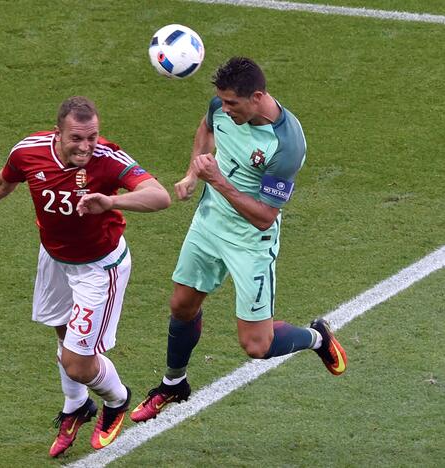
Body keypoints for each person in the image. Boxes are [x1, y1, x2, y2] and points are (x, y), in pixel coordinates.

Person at [0, 96, 171, 456]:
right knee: (62, 333)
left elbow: (159, 196)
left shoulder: (109, 160)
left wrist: (112, 202)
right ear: (59, 134)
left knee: (77, 363)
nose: (86, 147)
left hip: (100, 268)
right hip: (54, 259)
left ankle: (116, 398)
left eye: (92, 137)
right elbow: (1, 184)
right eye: (77, 139)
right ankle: (77, 406)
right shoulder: (29, 152)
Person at [130, 57, 348, 423]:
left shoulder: (286, 144)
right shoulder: (221, 106)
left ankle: (317, 337)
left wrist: (216, 180)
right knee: (181, 306)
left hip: (250, 241)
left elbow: (264, 217)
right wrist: (192, 173)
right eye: (222, 101)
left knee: (256, 346)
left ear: (258, 96)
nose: (224, 109)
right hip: (209, 223)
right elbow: (206, 127)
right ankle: (173, 384)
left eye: (233, 104)